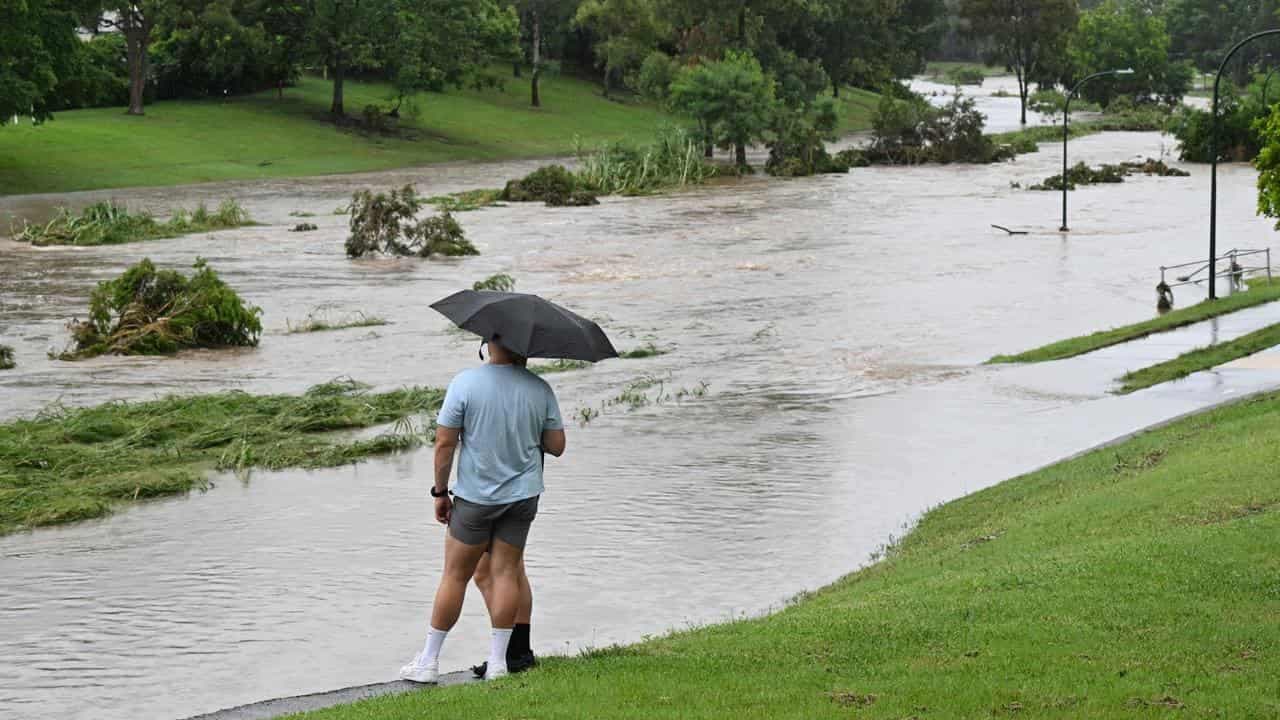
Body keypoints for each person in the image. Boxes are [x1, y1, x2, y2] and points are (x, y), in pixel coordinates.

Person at [399, 337, 565, 683]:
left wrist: (440, 492)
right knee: (506, 572)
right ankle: (499, 664)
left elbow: (445, 443)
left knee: (454, 576)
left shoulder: (465, 383)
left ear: (488, 343)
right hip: (522, 498)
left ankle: (428, 662)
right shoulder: (539, 388)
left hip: (476, 498)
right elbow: (557, 446)